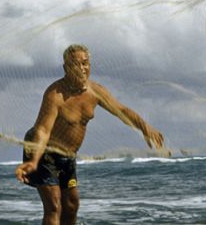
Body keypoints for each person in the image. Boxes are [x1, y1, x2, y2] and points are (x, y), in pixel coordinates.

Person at [15, 44, 165, 225]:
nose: (81, 68)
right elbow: (42, 130)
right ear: (66, 68)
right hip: (43, 150)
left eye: (85, 63)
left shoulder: (95, 91)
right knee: (54, 206)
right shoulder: (55, 94)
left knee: (71, 205)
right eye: (75, 64)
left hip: (67, 155)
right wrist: (33, 160)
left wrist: (144, 127)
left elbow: (121, 110)